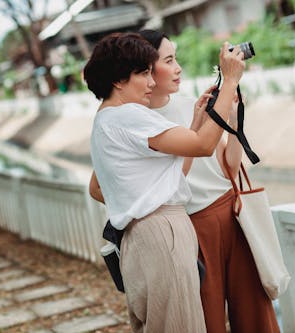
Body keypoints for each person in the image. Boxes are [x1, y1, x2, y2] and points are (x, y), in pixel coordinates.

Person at [84, 32, 245, 332]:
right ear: (119, 80)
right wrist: (231, 81)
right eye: (143, 73)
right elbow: (202, 146)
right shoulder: (129, 115)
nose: (150, 82)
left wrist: (195, 122)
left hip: (139, 238)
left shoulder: (104, 119)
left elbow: (169, 176)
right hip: (161, 234)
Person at [138, 29, 280, 333]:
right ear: (146, 70)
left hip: (232, 215)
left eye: (176, 58)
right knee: (206, 321)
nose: (178, 68)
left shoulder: (194, 102)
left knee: (256, 316)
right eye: (169, 60)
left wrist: (232, 123)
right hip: (188, 229)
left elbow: (229, 164)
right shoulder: (138, 123)